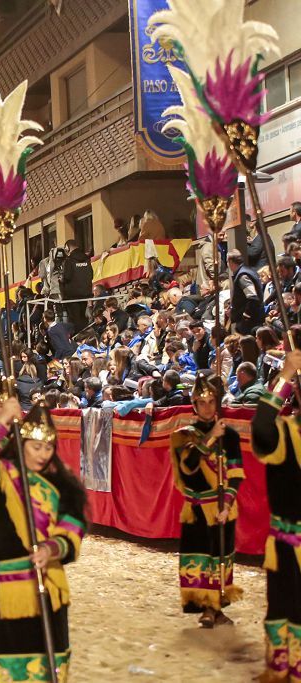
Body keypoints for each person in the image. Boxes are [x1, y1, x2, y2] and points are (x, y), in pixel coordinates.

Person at [0, 395, 86, 682]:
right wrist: (3, 422)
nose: (43, 454)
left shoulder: (59, 483)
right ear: (21, 444)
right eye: (36, 446)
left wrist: (53, 547)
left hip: (46, 587)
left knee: (44, 668)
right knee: (3, 669)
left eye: (48, 447)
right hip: (2, 591)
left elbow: (74, 524)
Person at [169, 374, 244, 628]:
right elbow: (189, 465)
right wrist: (211, 436)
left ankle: (217, 608)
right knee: (200, 557)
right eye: (202, 402)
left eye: (212, 401)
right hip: (196, 507)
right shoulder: (183, 436)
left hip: (221, 506)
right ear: (194, 405)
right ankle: (204, 607)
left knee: (221, 556)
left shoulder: (230, 436)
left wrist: (227, 505)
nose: (208, 406)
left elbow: (235, 472)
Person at [251, 350, 301, 683]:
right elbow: (262, 429)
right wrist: (285, 376)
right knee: (281, 604)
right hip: (285, 541)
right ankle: (281, 667)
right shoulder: (286, 433)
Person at [227, 249, 264, 335]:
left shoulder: (243, 276)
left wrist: (246, 314)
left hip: (250, 321)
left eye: (227, 262)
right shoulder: (247, 271)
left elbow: (253, 297)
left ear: (231, 261)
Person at [60, 239, 93, 333]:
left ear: (67, 248)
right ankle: (85, 336)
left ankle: (78, 338)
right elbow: (91, 275)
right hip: (85, 295)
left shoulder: (69, 261)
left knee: (75, 320)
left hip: (72, 297)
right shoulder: (87, 259)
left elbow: (67, 277)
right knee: (83, 318)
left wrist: (61, 279)